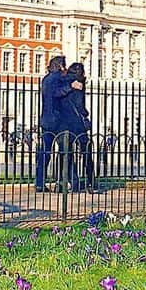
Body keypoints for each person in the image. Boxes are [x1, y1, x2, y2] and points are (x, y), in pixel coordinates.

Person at [35, 55, 79, 191]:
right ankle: (70, 181)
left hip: (46, 120)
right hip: (58, 121)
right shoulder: (57, 78)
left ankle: (40, 183)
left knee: (45, 153)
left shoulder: (46, 79)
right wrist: (71, 86)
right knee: (66, 152)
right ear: (60, 66)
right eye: (63, 66)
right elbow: (56, 93)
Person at [58, 61, 95, 191]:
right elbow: (80, 106)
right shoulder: (79, 84)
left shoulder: (63, 82)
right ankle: (90, 181)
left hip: (64, 123)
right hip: (78, 124)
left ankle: (66, 181)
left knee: (66, 153)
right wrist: (85, 113)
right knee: (86, 152)